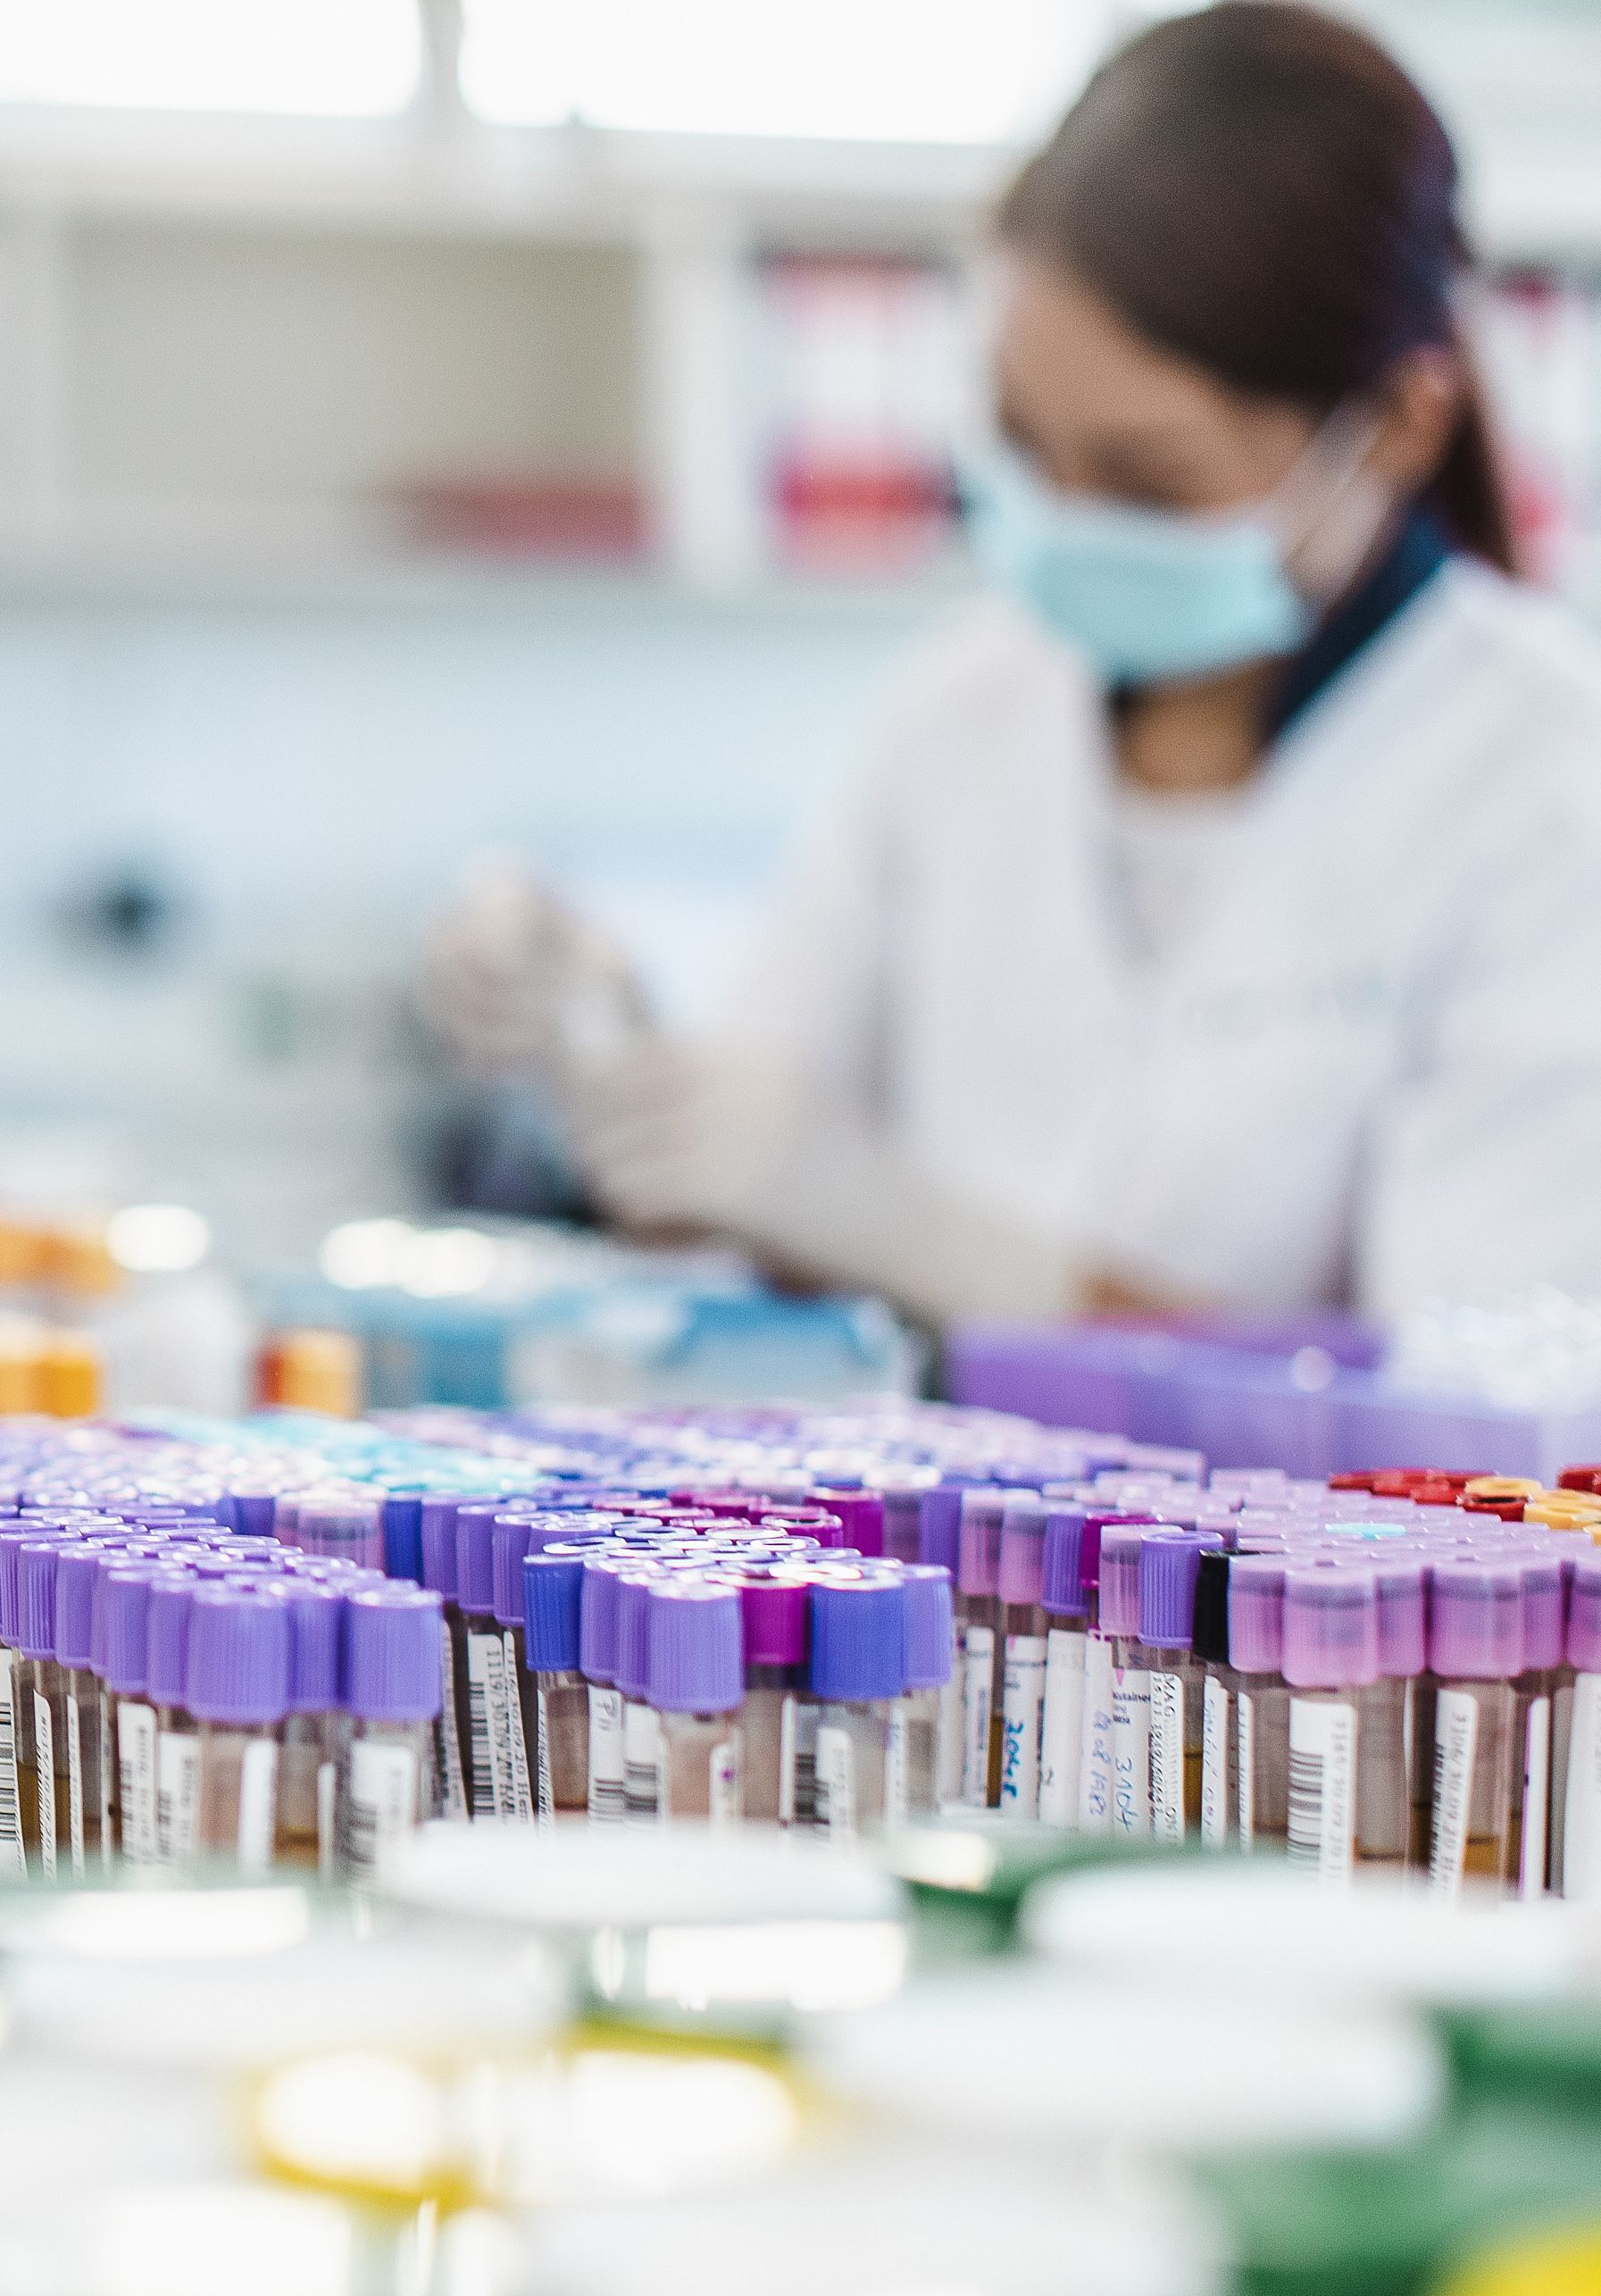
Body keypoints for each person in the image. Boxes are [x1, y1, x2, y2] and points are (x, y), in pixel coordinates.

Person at [429, 2, 1601, 1325]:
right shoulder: (965, 704)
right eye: (1022, 442)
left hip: (1262, 1543)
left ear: (1395, 424)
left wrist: (960, 1258)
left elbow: (1470, 1426)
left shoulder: (1546, 784)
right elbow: (745, 1185)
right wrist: (619, 1068)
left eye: (1148, 479)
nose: (1064, 518)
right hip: (927, 1523)